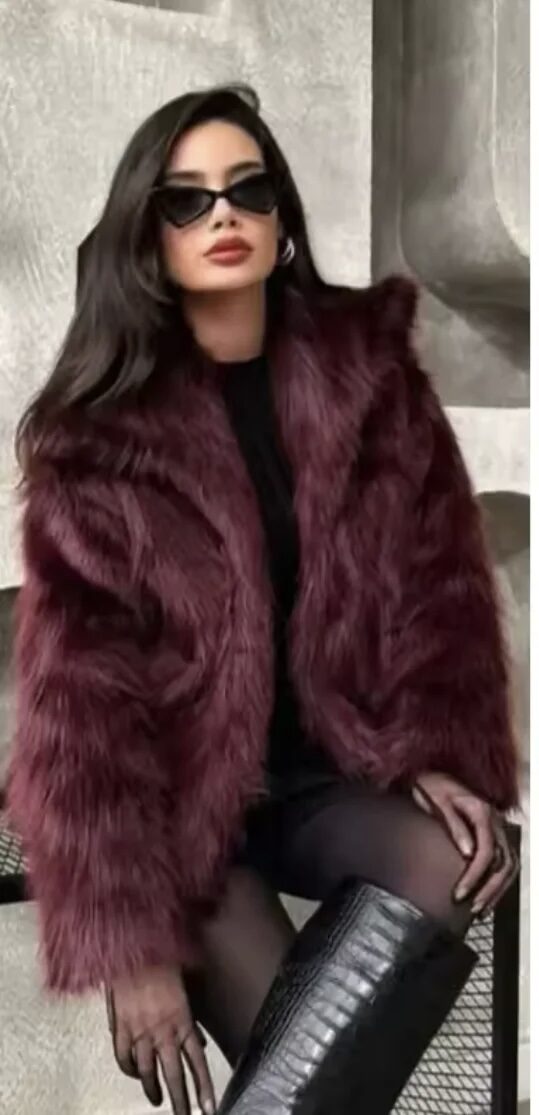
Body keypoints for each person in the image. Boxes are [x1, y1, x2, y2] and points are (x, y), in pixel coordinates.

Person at [8, 83, 519, 1115]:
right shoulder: (99, 437)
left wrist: (432, 749)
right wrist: (132, 943)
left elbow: (438, 591)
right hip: (181, 808)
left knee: (449, 859)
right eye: (186, 200)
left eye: (247, 189)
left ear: (281, 219)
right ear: (149, 237)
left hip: (324, 776)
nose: (223, 215)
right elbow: (84, 713)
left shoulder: (370, 381)